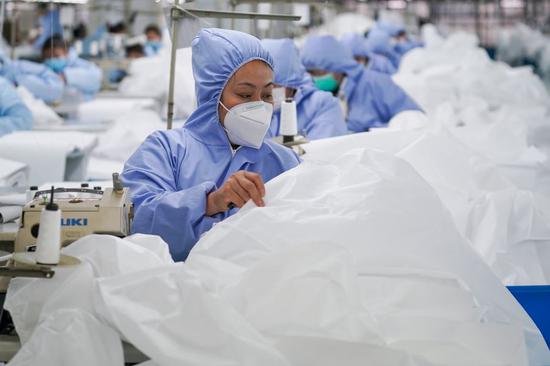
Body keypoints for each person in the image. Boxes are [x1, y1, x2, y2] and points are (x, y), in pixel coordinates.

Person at [122, 28, 300, 261]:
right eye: (245, 95)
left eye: (266, 95)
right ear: (212, 96)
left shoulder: (284, 161)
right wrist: (209, 202)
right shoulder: (166, 150)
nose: (259, 106)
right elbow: (137, 216)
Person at [301, 35, 422, 132]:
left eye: (319, 72)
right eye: (310, 73)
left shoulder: (377, 84)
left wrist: (372, 132)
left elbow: (414, 121)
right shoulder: (308, 94)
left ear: (339, 67)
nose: (314, 78)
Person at [261, 38, 347, 140]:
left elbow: (323, 150)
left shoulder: (321, 105)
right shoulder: (254, 109)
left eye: (273, 86)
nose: (266, 94)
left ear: (291, 83)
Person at [42, 35, 102, 100]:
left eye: (56, 56)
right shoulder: (44, 69)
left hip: (80, 107)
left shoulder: (81, 65)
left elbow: (95, 80)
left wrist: (66, 76)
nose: (51, 59)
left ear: (66, 53)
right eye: (48, 56)